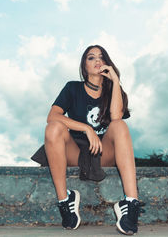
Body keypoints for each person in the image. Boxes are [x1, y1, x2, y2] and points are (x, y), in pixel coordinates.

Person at [32, 45, 140, 235]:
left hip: (104, 151)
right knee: (53, 127)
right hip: (77, 150)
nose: (97, 60)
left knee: (120, 125)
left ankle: (130, 204)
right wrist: (86, 128)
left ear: (107, 63)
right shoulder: (72, 87)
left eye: (101, 57)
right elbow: (52, 115)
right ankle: (65, 201)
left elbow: (116, 117)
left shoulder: (115, 91)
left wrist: (115, 80)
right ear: (84, 65)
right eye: (91, 57)